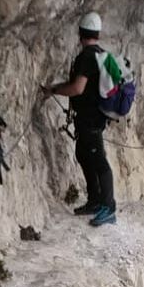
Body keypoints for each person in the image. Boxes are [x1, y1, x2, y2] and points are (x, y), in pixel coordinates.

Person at [43, 12, 117, 227]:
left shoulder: (86, 57)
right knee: (83, 154)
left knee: (98, 159)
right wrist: (55, 88)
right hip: (93, 117)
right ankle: (95, 200)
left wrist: (54, 90)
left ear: (80, 33)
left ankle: (108, 206)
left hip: (90, 119)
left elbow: (77, 87)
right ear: (97, 33)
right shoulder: (100, 55)